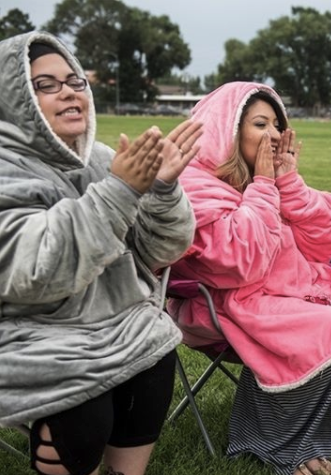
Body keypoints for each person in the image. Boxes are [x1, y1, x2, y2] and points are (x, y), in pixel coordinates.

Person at [0, 31, 203, 475]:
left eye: (74, 80)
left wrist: (164, 190)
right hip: (29, 331)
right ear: (12, 97)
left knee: (153, 349)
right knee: (82, 411)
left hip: (115, 319)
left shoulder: (101, 160)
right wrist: (119, 192)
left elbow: (159, 251)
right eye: (45, 84)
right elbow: (35, 271)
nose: (69, 91)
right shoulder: (6, 169)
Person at [167, 81, 331, 475]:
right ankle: (279, 447)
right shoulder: (195, 185)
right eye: (259, 124)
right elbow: (240, 262)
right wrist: (265, 185)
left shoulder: (264, 177)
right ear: (228, 130)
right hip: (227, 301)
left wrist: (287, 182)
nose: (273, 135)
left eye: (276, 124)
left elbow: (320, 243)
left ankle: (305, 439)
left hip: (293, 290)